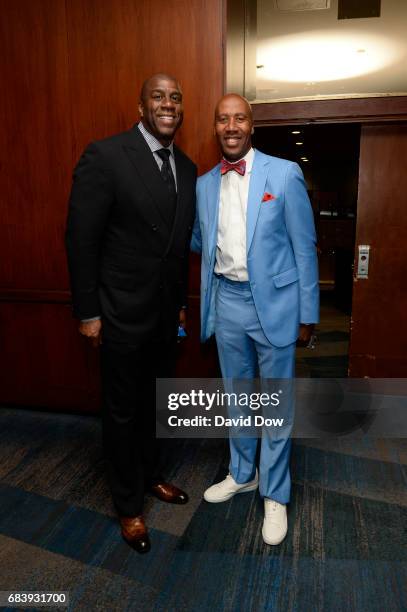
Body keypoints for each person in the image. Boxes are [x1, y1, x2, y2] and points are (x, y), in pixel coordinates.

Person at [66, 74, 197, 554]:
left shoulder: (186, 166)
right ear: (141, 106)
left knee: (155, 404)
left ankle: (151, 475)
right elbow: (81, 240)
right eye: (158, 97)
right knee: (121, 413)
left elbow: (177, 250)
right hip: (118, 315)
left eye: (175, 98)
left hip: (165, 318)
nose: (168, 104)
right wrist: (88, 312)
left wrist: (181, 305)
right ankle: (128, 506)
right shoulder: (106, 155)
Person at [191, 94, 319, 545]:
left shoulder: (283, 174)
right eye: (223, 119)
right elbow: (199, 241)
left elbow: (304, 248)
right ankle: (242, 473)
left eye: (239, 118)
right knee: (238, 397)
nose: (231, 126)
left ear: (252, 125)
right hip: (226, 302)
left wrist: (309, 313)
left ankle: (275, 493)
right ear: (215, 127)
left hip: (277, 305)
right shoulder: (205, 184)